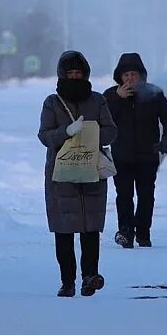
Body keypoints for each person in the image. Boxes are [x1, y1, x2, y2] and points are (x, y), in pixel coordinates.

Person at [38, 51, 117, 297]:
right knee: (64, 229)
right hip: (61, 173)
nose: (75, 77)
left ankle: (90, 277)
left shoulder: (97, 101)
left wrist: (93, 134)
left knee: (90, 227)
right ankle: (67, 281)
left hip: (91, 168)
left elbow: (111, 131)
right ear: (62, 75)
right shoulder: (52, 102)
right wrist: (67, 132)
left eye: (78, 73)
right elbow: (45, 135)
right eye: (70, 73)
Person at [104, 53, 167, 248]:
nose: (129, 78)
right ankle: (126, 231)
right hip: (121, 155)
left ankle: (143, 232)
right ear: (120, 77)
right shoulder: (110, 96)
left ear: (141, 75)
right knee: (124, 195)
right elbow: (103, 121)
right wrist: (118, 100)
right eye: (126, 75)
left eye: (133, 74)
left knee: (146, 196)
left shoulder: (154, 94)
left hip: (147, 155)